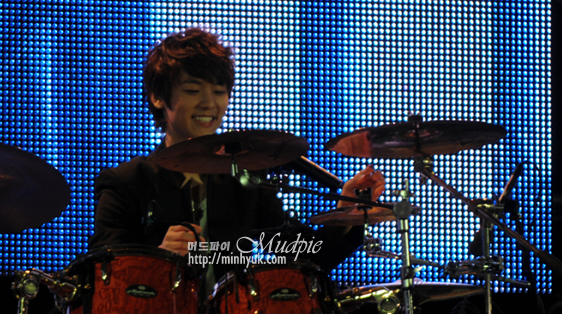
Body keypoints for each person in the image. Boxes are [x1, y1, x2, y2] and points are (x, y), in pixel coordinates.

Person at [88, 27, 385, 270]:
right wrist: (157, 258)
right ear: (157, 97)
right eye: (192, 90)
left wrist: (346, 213)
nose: (209, 103)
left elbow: (307, 257)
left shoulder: (246, 180)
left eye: (219, 92)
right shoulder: (127, 181)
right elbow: (101, 273)